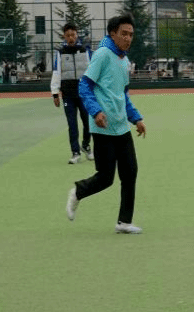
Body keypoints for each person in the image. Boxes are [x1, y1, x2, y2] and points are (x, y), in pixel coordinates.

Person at [66, 13, 147, 234]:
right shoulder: (102, 54)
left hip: (121, 127)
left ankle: (124, 222)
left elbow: (123, 95)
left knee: (130, 172)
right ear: (113, 34)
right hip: (102, 128)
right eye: (124, 34)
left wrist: (136, 118)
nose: (128, 38)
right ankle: (78, 192)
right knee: (105, 178)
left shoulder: (125, 61)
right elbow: (84, 86)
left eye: (131, 34)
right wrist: (96, 112)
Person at [51, 23, 93, 165]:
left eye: (73, 35)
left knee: (88, 122)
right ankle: (75, 152)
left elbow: (92, 70)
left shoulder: (85, 50)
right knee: (72, 124)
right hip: (68, 94)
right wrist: (55, 93)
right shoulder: (60, 52)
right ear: (64, 36)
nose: (71, 38)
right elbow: (56, 72)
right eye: (68, 35)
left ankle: (86, 145)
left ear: (77, 35)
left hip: (84, 93)